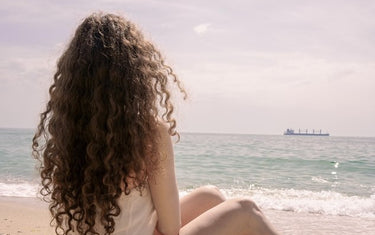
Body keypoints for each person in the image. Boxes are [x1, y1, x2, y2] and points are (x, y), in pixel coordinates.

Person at [32, 13, 278, 235]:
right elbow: (171, 229)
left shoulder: (68, 132)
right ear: (135, 76)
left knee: (210, 196)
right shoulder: (147, 133)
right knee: (247, 210)